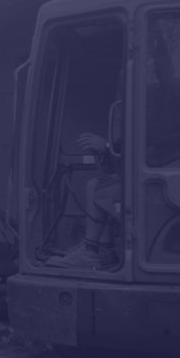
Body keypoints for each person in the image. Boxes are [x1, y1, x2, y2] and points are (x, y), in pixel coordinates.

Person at [48, 102, 127, 270]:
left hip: (146, 183)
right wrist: (104, 153)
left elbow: (147, 147)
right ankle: (103, 249)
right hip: (138, 179)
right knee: (101, 185)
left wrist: (107, 146)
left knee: (96, 186)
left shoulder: (165, 112)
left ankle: (90, 250)